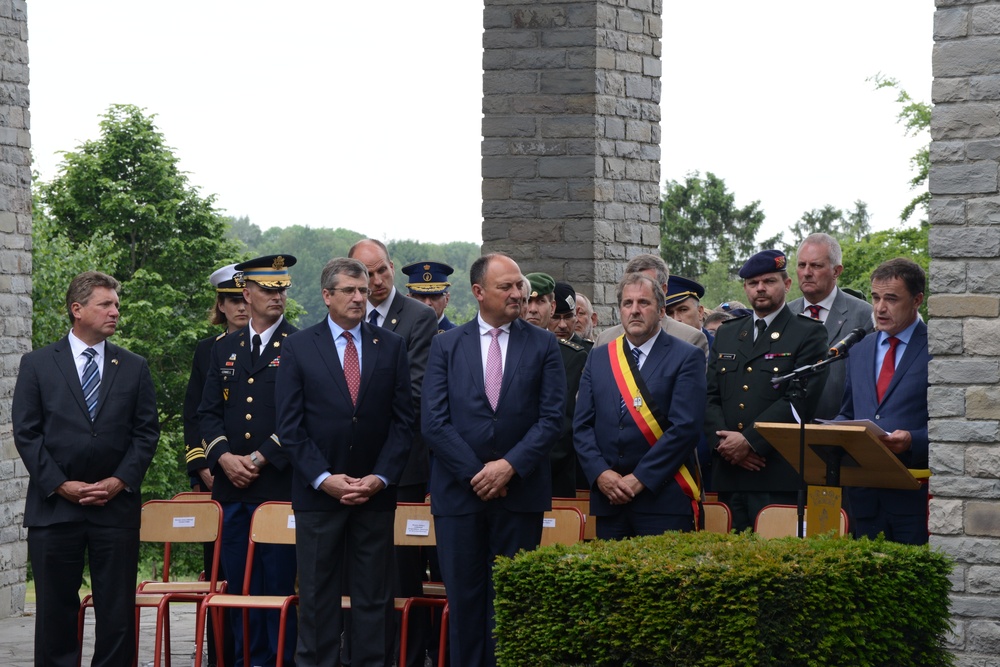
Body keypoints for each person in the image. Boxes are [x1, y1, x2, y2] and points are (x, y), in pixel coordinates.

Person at [422, 253, 565, 667]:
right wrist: (477, 474)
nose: (519, 293)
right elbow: (433, 422)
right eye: (508, 286)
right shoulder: (446, 345)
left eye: (520, 285)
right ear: (479, 292)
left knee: (512, 602)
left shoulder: (543, 344)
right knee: (465, 602)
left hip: (519, 494)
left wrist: (508, 467)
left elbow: (552, 419)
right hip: (459, 497)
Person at [13, 271, 160, 667]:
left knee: (117, 614)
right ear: (77, 310)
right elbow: (27, 434)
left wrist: (120, 481)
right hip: (55, 509)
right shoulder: (38, 364)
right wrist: (61, 485)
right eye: (106, 304)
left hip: (115, 509)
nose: (115, 311)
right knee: (56, 612)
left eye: (116, 304)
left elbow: (146, 434)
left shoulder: (133, 366)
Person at [276, 257, 414, 667]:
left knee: (374, 599)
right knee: (317, 601)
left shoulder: (390, 345)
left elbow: (403, 423)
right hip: (319, 498)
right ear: (327, 296)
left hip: (373, 495)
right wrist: (323, 478)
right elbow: (290, 424)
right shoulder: (299, 346)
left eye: (363, 290)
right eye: (350, 290)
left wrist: (381, 477)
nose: (360, 297)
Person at [198, 254, 299, 667]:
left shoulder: (301, 344)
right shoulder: (226, 347)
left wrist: (258, 458)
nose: (277, 296)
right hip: (231, 488)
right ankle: (240, 659)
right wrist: (223, 457)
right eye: (268, 289)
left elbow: (300, 417)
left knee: (276, 586)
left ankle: (277, 661)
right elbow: (206, 412)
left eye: (282, 288)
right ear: (247, 292)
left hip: (276, 486)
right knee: (237, 584)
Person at [348, 239, 437, 667]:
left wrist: (353, 417)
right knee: (358, 569)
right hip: (347, 470)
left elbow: (413, 393)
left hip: (402, 467)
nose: (378, 281)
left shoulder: (418, 317)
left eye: (383, 270)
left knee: (401, 572)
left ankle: (408, 653)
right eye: (367, 274)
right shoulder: (341, 318)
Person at [704, 250, 829, 531]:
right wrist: (725, 446)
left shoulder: (807, 333)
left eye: (769, 281)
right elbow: (710, 396)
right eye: (752, 283)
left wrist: (748, 441)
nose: (760, 288)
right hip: (729, 473)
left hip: (775, 472)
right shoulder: (727, 333)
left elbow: (800, 398)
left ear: (786, 285)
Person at [574, 273, 706, 538]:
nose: (634, 310)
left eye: (643, 303)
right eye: (627, 303)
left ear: (660, 311)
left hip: (664, 499)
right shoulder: (599, 357)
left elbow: (685, 429)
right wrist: (601, 474)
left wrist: (640, 479)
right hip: (609, 500)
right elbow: (582, 426)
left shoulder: (686, 356)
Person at [836, 258, 929, 545]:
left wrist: (913, 439)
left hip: (914, 496)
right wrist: (833, 430)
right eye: (875, 297)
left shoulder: (938, 348)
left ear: (917, 300)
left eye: (891, 299)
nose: (879, 308)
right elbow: (848, 411)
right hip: (864, 498)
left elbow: (957, 426)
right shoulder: (860, 349)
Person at [182, 263, 245, 667]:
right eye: (233, 300)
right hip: (216, 476)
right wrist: (203, 463)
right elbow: (195, 412)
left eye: (245, 297)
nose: (241, 306)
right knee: (219, 570)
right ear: (219, 305)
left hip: (263, 473)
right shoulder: (209, 349)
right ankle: (218, 651)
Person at [788, 233, 874, 419]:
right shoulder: (785, 315)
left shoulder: (864, 316)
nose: (807, 272)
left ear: (837, 271)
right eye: (802, 265)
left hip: (842, 432)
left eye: (816, 265)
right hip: (790, 433)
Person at [524, 272, 587, 498]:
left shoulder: (572, 357)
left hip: (553, 474)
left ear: (550, 307)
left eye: (539, 302)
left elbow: (565, 423)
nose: (532, 309)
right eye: (527, 301)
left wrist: (521, 465)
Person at [594, 254, 708, 355]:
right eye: (631, 284)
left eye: (646, 284)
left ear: (663, 290)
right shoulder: (604, 340)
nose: (638, 290)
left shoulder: (689, 339)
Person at [403, 260, 458, 332]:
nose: (427, 303)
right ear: (409, 299)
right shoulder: (400, 336)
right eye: (421, 296)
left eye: (434, 296)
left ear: (446, 299)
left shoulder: (459, 338)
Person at [664, 274, 714, 348]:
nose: (676, 319)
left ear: (700, 312)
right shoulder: (657, 351)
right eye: (669, 313)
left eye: (683, 310)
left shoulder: (720, 347)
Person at [549, 281, 593, 352]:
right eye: (555, 317)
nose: (562, 325)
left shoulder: (590, 351)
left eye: (568, 317)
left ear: (577, 314)